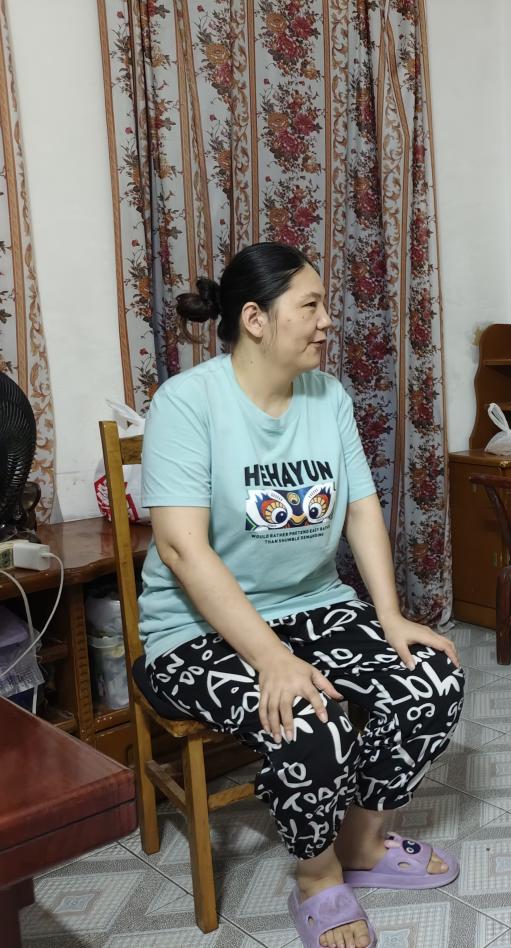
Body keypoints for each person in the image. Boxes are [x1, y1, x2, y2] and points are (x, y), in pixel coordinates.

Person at [139, 242, 464, 948]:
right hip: (196, 630)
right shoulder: (187, 403)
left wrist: (390, 616)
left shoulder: (327, 396)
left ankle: (362, 843)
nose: (327, 320)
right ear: (254, 319)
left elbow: (362, 508)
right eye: (310, 306)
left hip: (315, 604)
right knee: (313, 722)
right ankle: (317, 877)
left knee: (433, 680)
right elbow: (181, 549)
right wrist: (271, 660)